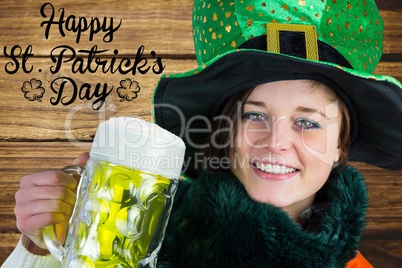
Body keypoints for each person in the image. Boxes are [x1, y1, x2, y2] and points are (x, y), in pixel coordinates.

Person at [3, 0, 402, 267]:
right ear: (226, 130)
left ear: (339, 146)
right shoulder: (133, 223)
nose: (276, 141)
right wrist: (43, 246)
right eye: (254, 116)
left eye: (308, 122)